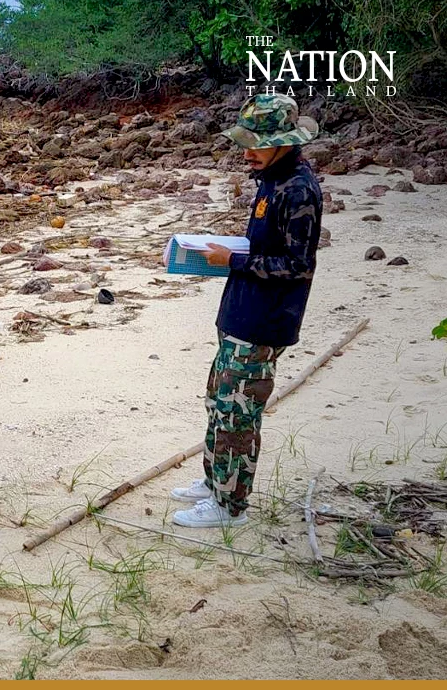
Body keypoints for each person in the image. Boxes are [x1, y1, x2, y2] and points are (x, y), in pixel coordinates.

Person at [172, 93, 323, 528]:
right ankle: (215, 482)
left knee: (238, 413)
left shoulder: (298, 190)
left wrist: (234, 260)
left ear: (285, 143)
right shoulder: (271, 179)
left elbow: (299, 265)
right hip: (240, 312)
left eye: (257, 144)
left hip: (264, 321)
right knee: (219, 403)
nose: (247, 153)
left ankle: (230, 506)